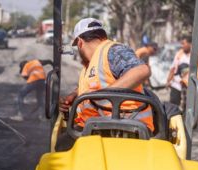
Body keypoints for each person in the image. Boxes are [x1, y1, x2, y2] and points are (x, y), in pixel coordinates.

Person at [57, 18, 152, 150]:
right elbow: (96, 84)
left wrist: (103, 94)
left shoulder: (112, 50)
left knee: (61, 149)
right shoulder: (93, 63)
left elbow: (141, 70)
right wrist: (74, 94)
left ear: (79, 42)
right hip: (100, 125)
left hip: (122, 128)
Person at [166, 35, 198, 106]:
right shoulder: (179, 53)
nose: (182, 46)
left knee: (188, 109)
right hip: (177, 85)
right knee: (173, 108)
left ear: (190, 44)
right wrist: (168, 81)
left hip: (191, 88)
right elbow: (173, 68)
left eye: (183, 43)